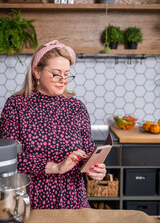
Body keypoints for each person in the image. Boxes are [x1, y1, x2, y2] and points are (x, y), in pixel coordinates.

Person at [0, 40, 106, 209]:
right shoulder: (16, 105)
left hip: (74, 200)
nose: (63, 80)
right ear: (37, 72)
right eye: (56, 74)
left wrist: (95, 169)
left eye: (67, 74)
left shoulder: (76, 107)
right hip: (32, 200)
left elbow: (87, 153)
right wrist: (56, 167)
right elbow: (9, 159)